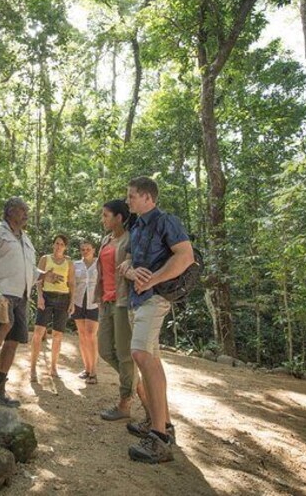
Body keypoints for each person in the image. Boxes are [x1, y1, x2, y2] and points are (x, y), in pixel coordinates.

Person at [120, 176, 194, 464]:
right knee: (151, 357)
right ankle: (162, 423)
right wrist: (131, 273)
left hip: (155, 298)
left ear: (148, 197)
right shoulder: (135, 225)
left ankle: (159, 438)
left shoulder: (167, 221)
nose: (128, 201)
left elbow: (185, 256)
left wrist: (153, 279)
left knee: (140, 353)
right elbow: (126, 263)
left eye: (132, 196)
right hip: (137, 299)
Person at [0, 198, 56, 406]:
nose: (26, 213)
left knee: (14, 340)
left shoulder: (25, 238)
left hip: (23, 294)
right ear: (10, 212)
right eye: (22, 210)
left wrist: (43, 275)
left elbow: (27, 268)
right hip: (3, 291)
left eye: (27, 210)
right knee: (2, 326)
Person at [95, 200, 150, 420]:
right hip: (105, 301)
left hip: (122, 301)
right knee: (105, 350)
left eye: (106, 215)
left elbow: (133, 268)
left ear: (119, 218)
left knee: (125, 355)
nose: (103, 219)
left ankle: (125, 402)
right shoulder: (106, 239)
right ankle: (138, 386)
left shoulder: (130, 239)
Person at [30, 235, 75, 382]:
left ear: (65, 247)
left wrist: (72, 302)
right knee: (38, 333)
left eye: (62, 244)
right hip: (47, 297)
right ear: (53, 244)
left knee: (57, 335)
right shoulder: (45, 259)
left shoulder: (69, 262)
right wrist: (40, 297)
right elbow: (38, 278)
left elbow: (72, 283)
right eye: (56, 243)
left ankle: (53, 367)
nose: (58, 246)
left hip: (63, 298)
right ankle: (33, 369)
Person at [72, 239, 99, 384]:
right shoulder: (75, 265)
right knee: (82, 335)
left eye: (88, 249)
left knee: (91, 335)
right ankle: (87, 368)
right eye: (83, 249)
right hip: (78, 301)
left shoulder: (99, 263)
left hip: (94, 303)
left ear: (94, 250)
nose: (85, 251)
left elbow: (104, 281)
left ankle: (94, 372)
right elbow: (72, 284)